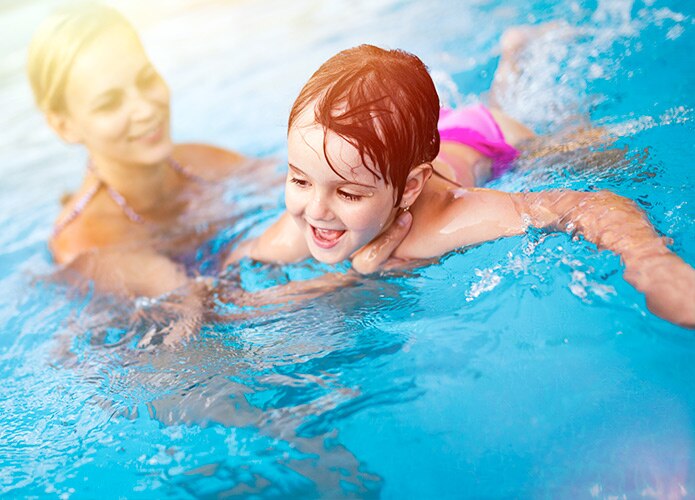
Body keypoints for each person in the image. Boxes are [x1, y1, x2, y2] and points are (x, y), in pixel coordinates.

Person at [226, 44, 695, 328]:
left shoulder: (449, 216)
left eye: (347, 193)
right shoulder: (300, 223)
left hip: (489, 137)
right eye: (299, 179)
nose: (316, 211)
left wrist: (652, 262)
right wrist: (347, 278)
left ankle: (517, 55)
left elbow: (587, 205)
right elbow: (234, 276)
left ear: (411, 189)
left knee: (606, 157)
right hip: (400, 147)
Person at [27, 5, 409, 343]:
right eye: (109, 103)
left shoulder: (200, 162)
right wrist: (350, 278)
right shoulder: (91, 242)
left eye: (145, 80)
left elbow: (311, 183)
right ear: (64, 125)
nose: (144, 108)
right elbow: (206, 314)